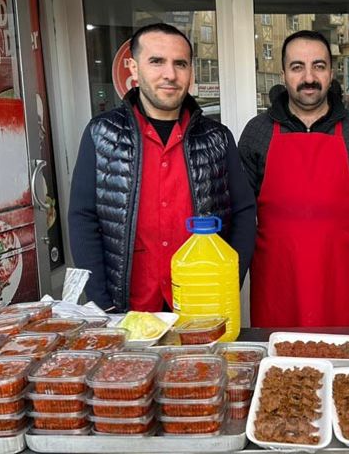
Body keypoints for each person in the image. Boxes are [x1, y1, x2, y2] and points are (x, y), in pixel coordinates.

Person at [69, 23, 256, 313]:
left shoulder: (217, 138)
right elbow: (83, 218)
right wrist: (101, 303)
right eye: (156, 61)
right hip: (128, 308)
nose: (170, 74)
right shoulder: (102, 134)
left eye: (180, 63)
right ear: (133, 67)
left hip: (203, 302)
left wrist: (228, 281)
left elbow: (243, 213)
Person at [238, 30, 349, 327]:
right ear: (283, 73)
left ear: (331, 72)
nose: (309, 77)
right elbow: (240, 213)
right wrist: (227, 281)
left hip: (338, 276)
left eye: (318, 66)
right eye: (297, 67)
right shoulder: (257, 132)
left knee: (341, 360)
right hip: (277, 276)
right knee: (279, 361)